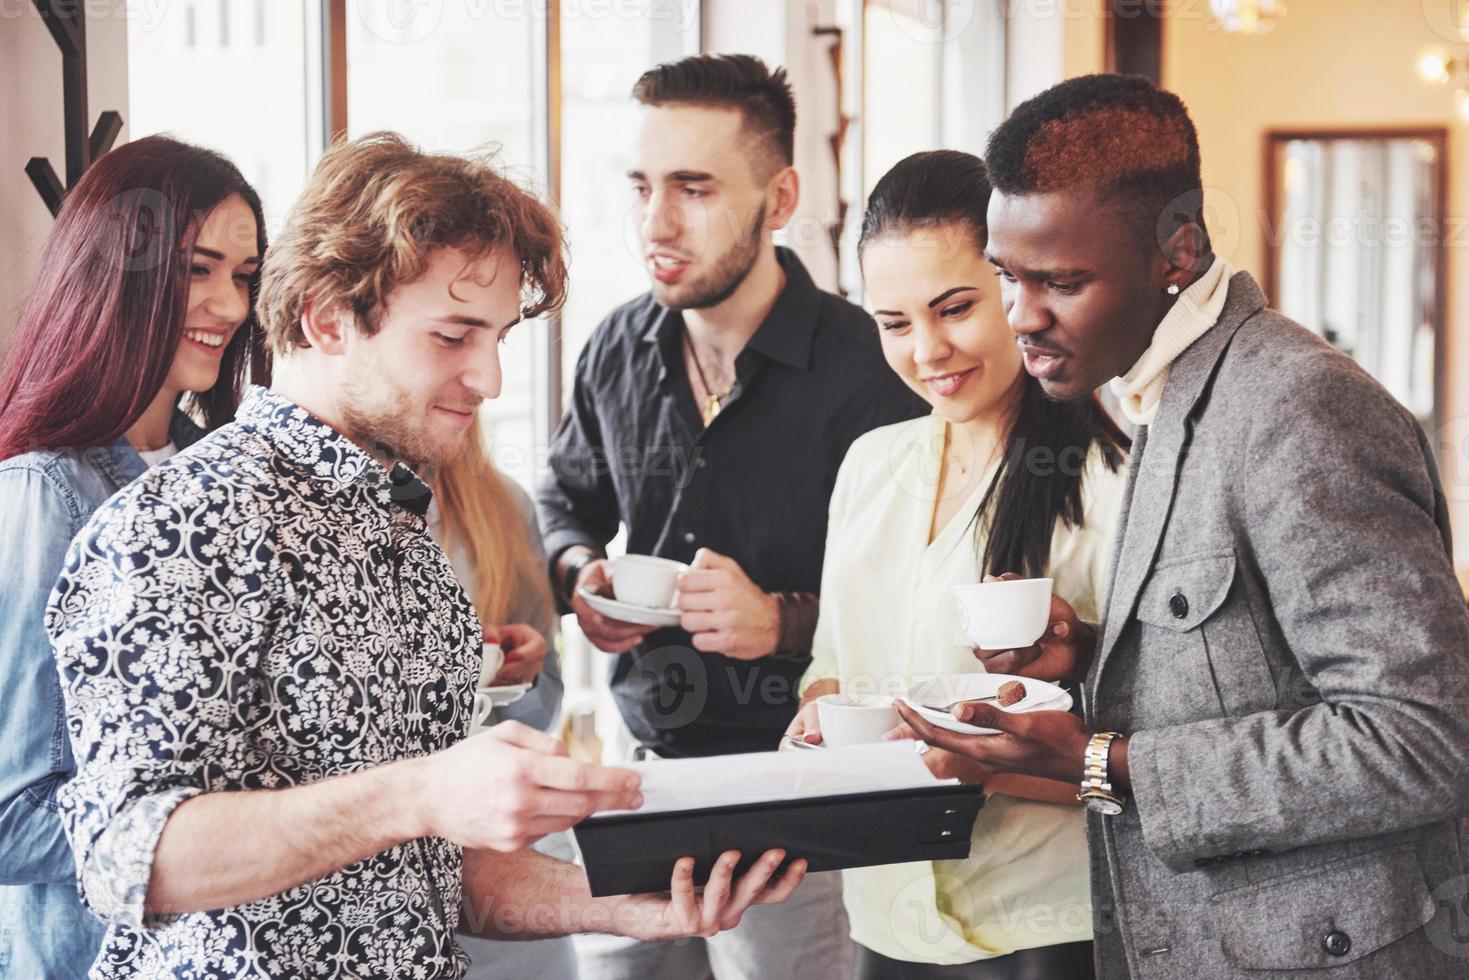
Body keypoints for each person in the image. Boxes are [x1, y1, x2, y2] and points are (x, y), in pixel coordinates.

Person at [45, 132, 805, 980]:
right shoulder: (182, 520)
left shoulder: (401, 524)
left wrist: (623, 904)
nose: (489, 380)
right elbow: (123, 858)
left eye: (498, 338)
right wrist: (418, 792)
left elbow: (423, 875)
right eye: (452, 336)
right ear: (328, 318)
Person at [893, 74, 1469, 977]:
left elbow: (1420, 739)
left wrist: (1106, 760)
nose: (1021, 316)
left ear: (1177, 249)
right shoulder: (1155, 394)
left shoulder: (1297, 407)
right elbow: (1250, 661)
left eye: (1061, 281)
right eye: (1006, 276)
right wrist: (1088, 661)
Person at [538, 53, 926, 980]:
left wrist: (780, 622)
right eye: (639, 186)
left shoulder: (874, 368)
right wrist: (577, 571)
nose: (655, 223)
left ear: (779, 196)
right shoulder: (615, 345)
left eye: (693, 187)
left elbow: (924, 602)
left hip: (806, 787)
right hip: (641, 776)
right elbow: (563, 498)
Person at [785, 150, 1128, 979]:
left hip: (1043, 925)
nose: (927, 350)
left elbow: (1147, 761)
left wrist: (985, 764)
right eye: (894, 324)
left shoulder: (1115, 484)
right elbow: (834, 660)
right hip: (883, 915)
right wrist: (818, 713)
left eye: (955, 308)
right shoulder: (872, 464)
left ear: (1017, 287)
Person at [0, 136, 268, 980]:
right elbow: (10, 819)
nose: (229, 305)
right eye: (199, 269)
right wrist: (234, 822)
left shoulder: (219, 476)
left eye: (246, 276)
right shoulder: (48, 494)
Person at [428, 417, 578, 978]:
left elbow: (542, 710)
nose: (484, 380)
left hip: (510, 857)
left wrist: (528, 671)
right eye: (450, 338)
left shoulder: (505, 506)